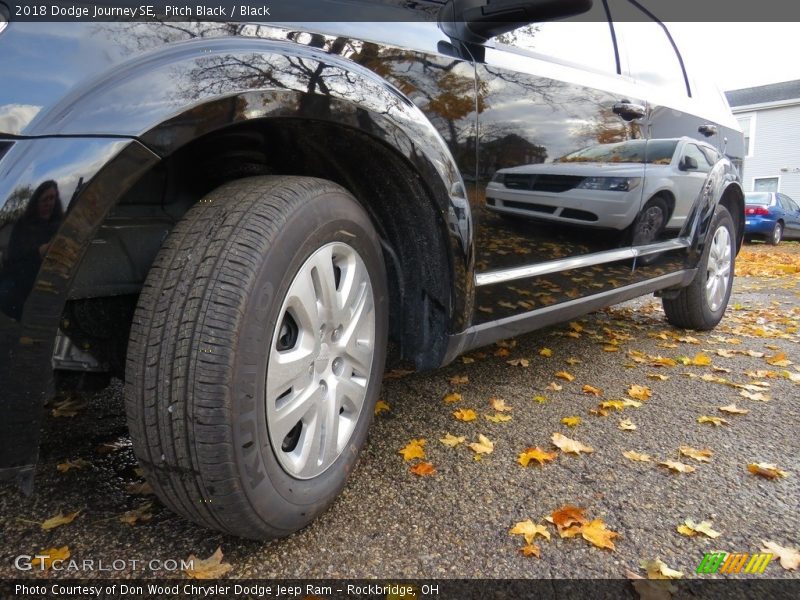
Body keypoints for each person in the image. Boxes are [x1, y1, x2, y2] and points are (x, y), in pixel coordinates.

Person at [0, 180, 63, 320]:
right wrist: (38, 253)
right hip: (19, 282)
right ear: (36, 201)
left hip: (51, 283)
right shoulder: (22, 225)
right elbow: (12, 260)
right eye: (44, 199)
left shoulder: (60, 224)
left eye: (52, 198)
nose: (49, 203)